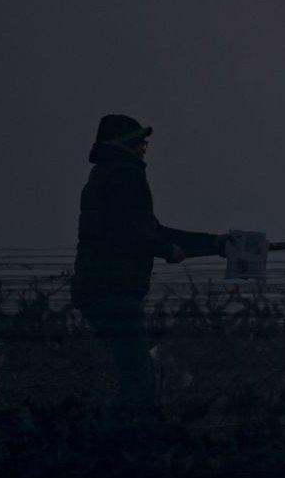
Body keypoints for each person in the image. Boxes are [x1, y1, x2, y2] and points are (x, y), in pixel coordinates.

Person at [71, 114, 228, 413]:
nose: (145, 147)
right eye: (140, 141)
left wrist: (210, 241)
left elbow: (146, 229)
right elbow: (132, 234)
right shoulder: (126, 176)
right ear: (126, 144)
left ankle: (112, 443)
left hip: (98, 288)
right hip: (113, 289)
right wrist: (168, 250)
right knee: (138, 381)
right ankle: (113, 446)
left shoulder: (104, 175)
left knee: (134, 373)